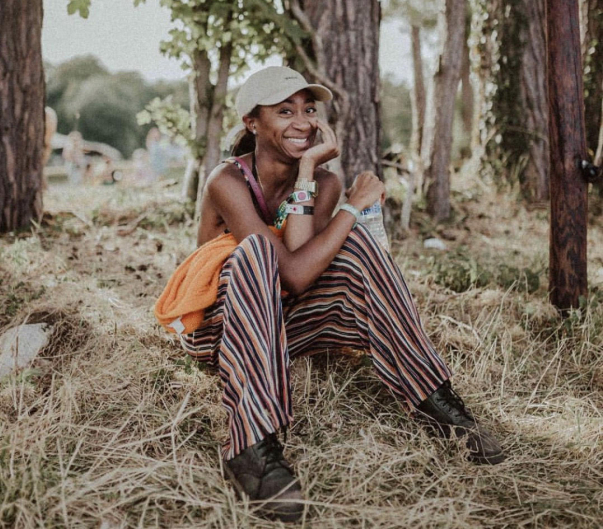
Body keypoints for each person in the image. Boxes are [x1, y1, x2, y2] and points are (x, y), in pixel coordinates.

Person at [156, 66, 504, 523]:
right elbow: (292, 274)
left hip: (282, 326)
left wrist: (313, 181)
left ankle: (433, 397)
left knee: (351, 241)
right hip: (223, 331)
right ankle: (251, 445)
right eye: (285, 112)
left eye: (308, 110)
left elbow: (302, 266)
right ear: (252, 123)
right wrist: (353, 208)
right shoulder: (228, 181)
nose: (302, 122)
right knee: (259, 250)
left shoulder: (325, 183)